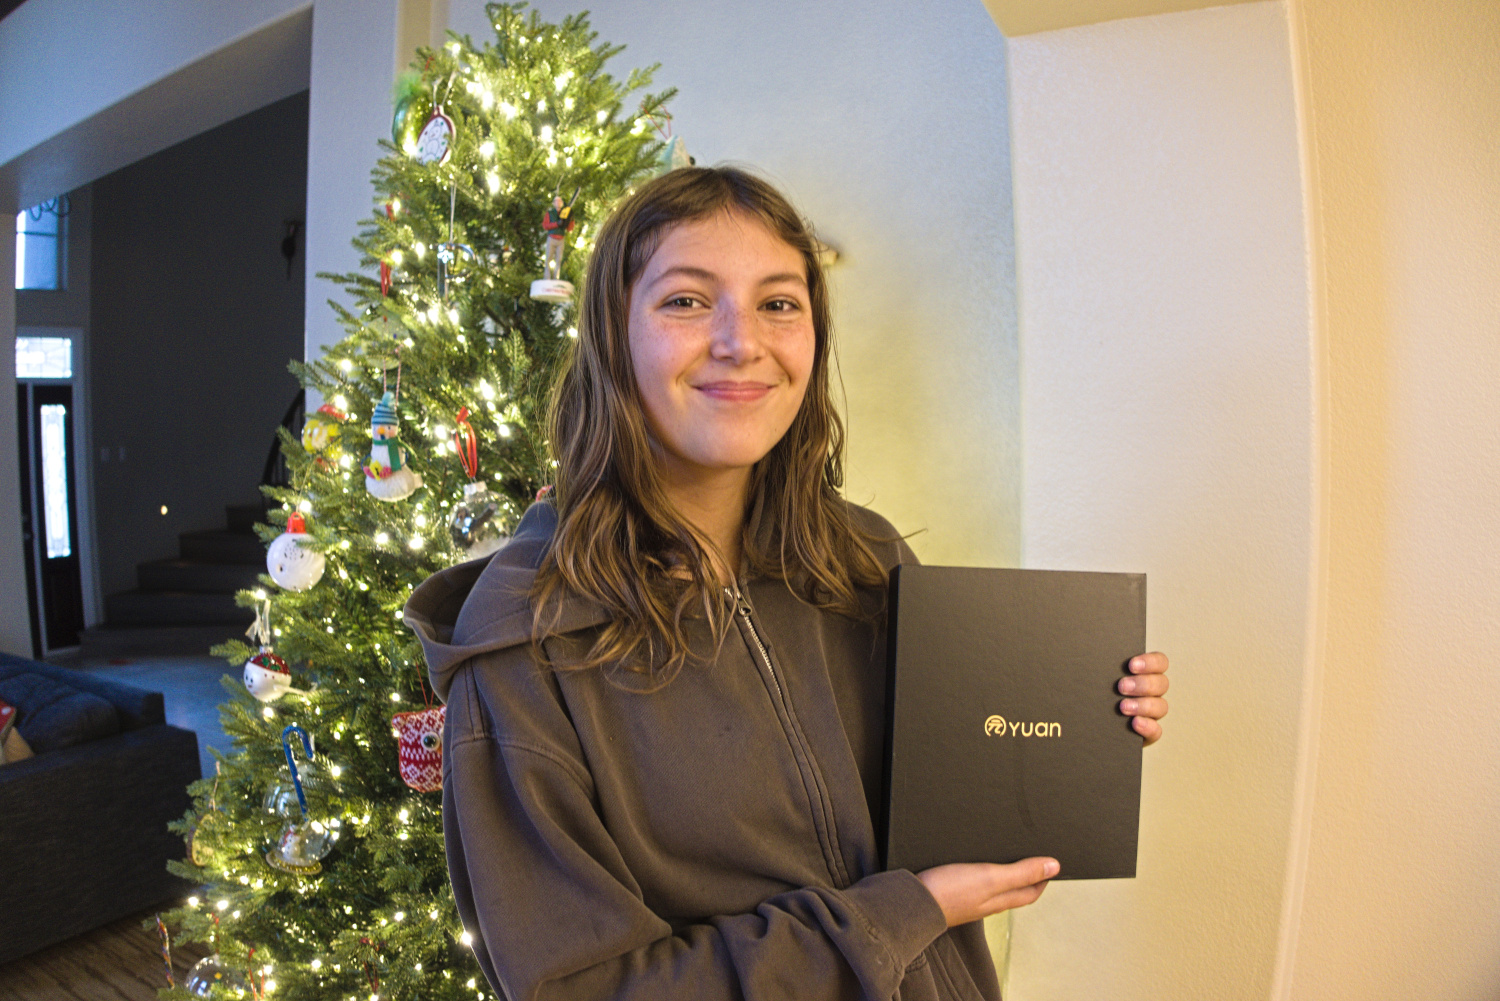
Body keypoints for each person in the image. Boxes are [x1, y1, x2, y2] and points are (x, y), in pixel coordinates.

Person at [404, 166, 1170, 1001]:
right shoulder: (526, 638)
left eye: (778, 302)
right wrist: (897, 916)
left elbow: (961, 802)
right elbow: (583, 990)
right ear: (613, 335)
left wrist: (1074, 728)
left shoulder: (863, 558)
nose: (742, 341)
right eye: (686, 300)